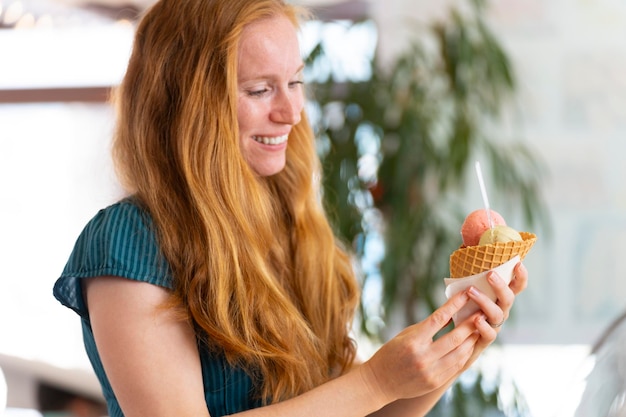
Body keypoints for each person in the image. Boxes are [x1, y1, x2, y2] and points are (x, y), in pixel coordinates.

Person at [52, 0, 529, 416]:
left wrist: (454, 345)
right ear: (187, 104)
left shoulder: (291, 223)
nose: (291, 111)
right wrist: (375, 381)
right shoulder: (128, 241)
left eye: (295, 82)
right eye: (260, 90)